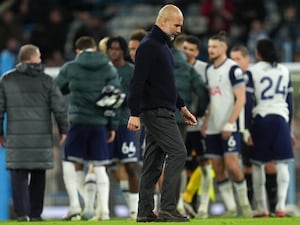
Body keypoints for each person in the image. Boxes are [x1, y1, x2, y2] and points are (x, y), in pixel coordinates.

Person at [127, 4, 197, 222]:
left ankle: (145, 212)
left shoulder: (162, 46)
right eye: (177, 25)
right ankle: (167, 207)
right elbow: (137, 82)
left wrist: (182, 106)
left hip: (162, 110)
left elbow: (167, 84)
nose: (179, 30)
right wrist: (134, 113)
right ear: (164, 21)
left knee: (152, 164)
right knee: (178, 152)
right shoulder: (149, 46)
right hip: (155, 112)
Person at [55, 36, 121, 221]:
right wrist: (112, 125)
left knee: (69, 161)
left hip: (77, 121)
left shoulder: (71, 67)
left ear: (78, 50)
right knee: (100, 166)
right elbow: (116, 95)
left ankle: (75, 206)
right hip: (99, 123)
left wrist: (73, 89)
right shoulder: (107, 67)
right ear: (94, 48)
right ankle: (105, 211)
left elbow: (57, 88)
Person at [0, 44, 68, 221]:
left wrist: (0, 132)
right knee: (38, 174)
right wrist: (63, 129)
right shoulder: (46, 80)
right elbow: (59, 107)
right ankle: (35, 214)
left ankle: (22, 214)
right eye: (38, 57)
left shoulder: (6, 80)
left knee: (18, 173)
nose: (40, 60)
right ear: (32, 58)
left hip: (16, 137)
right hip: (41, 138)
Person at [200, 32, 252, 218]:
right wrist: (206, 123)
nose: (210, 50)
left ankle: (245, 205)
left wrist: (230, 124)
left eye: (214, 47)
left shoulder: (233, 69)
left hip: (230, 126)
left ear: (224, 48)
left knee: (232, 165)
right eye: (209, 47)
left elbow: (242, 99)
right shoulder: (209, 70)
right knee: (217, 167)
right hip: (213, 126)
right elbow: (211, 100)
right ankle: (231, 208)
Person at [245, 38, 295, 217]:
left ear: (258, 53)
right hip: (281, 120)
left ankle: (262, 208)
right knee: (282, 164)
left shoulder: (252, 71)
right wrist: (288, 129)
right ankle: (281, 207)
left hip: (261, 119)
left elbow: (248, 102)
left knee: (258, 165)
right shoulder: (284, 71)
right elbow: (290, 102)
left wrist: (247, 128)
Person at [230, 44, 278, 214]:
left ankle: (273, 208)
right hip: (243, 128)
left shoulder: (255, 75)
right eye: (232, 59)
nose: (235, 63)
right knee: (248, 167)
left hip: (262, 125)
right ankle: (251, 208)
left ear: (247, 59)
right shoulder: (233, 79)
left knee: (270, 165)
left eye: (238, 59)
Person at [178, 35, 214, 219]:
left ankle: (204, 207)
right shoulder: (175, 66)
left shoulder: (204, 69)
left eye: (191, 49)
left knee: (205, 164)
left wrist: (204, 119)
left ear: (197, 52)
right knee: (181, 165)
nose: (187, 52)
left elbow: (209, 97)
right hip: (180, 125)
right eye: (185, 48)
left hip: (199, 125)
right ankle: (180, 204)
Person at [106, 36, 140, 219]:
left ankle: (135, 210)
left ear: (123, 51)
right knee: (106, 168)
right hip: (106, 126)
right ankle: (103, 210)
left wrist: (119, 99)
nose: (114, 51)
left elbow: (138, 96)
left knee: (130, 166)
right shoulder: (103, 70)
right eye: (111, 48)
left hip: (126, 124)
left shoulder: (131, 71)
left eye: (118, 48)